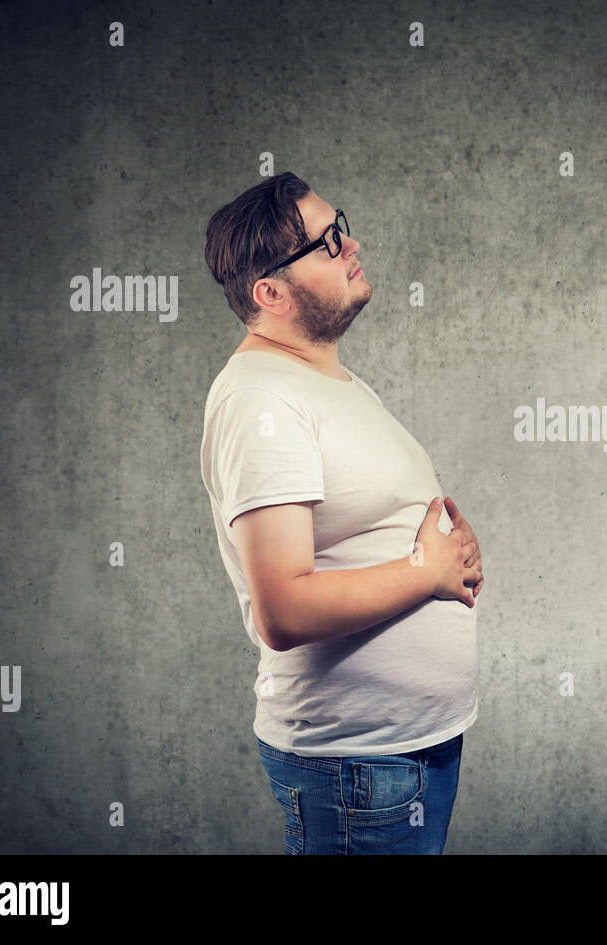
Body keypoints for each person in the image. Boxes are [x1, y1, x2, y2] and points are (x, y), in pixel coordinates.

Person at [199, 172, 483, 854]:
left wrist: (450, 548)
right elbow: (284, 610)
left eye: (340, 223)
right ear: (271, 293)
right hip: (354, 766)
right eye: (326, 243)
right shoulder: (262, 401)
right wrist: (428, 569)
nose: (350, 242)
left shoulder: (322, 381)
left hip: (400, 753)